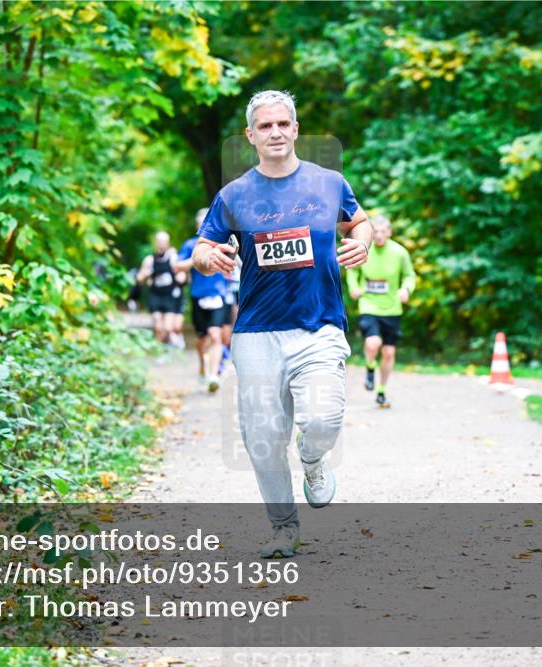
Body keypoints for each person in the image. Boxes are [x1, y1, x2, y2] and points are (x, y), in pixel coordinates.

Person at [191, 90, 371, 558]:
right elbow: (201, 251)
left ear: (295, 129)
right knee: (263, 439)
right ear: (251, 136)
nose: (275, 132)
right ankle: (283, 527)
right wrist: (210, 257)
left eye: (282, 124)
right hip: (257, 333)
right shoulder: (234, 195)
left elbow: (360, 222)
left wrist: (363, 242)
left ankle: (313, 458)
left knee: (323, 418)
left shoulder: (329, 183)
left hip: (319, 324)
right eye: (265, 126)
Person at [346, 215, 415, 407]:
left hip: (392, 309)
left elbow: (409, 276)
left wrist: (406, 289)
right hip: (369, 305)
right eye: (375, 231)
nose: (378, 235)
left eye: (382, 231)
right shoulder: (364, 249)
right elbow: (352, 270)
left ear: (389, 232)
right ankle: (370, 367)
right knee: (373, 343)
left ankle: (382, 391)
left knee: (389, 352)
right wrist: (354, 287)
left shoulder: (400, 253)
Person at [175, 210, 229, 392]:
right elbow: (177, 266)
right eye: (202, 224)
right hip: (198, 295)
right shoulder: (191, 245)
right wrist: (199, 259)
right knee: (202, 340)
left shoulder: (222, 243)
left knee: (215, 334)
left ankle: (213, 376)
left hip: (219, 295)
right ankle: (202, 365)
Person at [136, 232, 183, 345]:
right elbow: (139, 278)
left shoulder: (173, 258)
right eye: (160, 241)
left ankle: (166, 344)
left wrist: (180, 277)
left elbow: (182, 275)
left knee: (168, 327)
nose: (162, 244)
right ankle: (159, 349)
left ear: (168, 243)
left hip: (169, 296)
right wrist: (145, 274)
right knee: (158, 327)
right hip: (155, 295)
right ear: (156, 243)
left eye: (164, 241)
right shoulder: (149, 260)